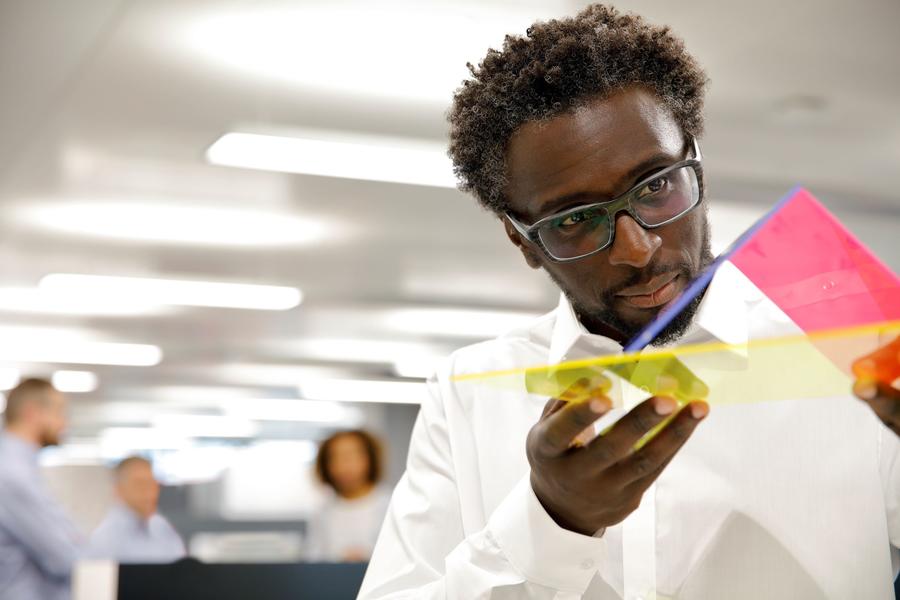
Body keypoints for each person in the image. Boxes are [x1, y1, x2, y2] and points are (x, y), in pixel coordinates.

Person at [359, 5, 900, 598]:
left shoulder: (857, 349)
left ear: (697, 162)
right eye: (578, 221)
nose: (639, 250)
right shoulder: (471, 389)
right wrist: (552, 520)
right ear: (522, 239)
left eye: (658, 185)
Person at [0, 378, 82, 600]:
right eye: (59, 412)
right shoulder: (13, 474)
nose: (64, 423)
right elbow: (64, 557)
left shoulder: (22, 467)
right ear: (32, 413)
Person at [307, 430, 389, 562]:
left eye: (352, 456)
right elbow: (313, 558)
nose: (344, 464)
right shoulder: (322, 512)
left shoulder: (392, 506)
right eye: (335, 457)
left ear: (370, 459)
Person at [85, 456, 186, 564]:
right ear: (118, 489)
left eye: (152, 484)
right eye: (140, 484)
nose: (149, 493)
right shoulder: (105, 540)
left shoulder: (162, 528)